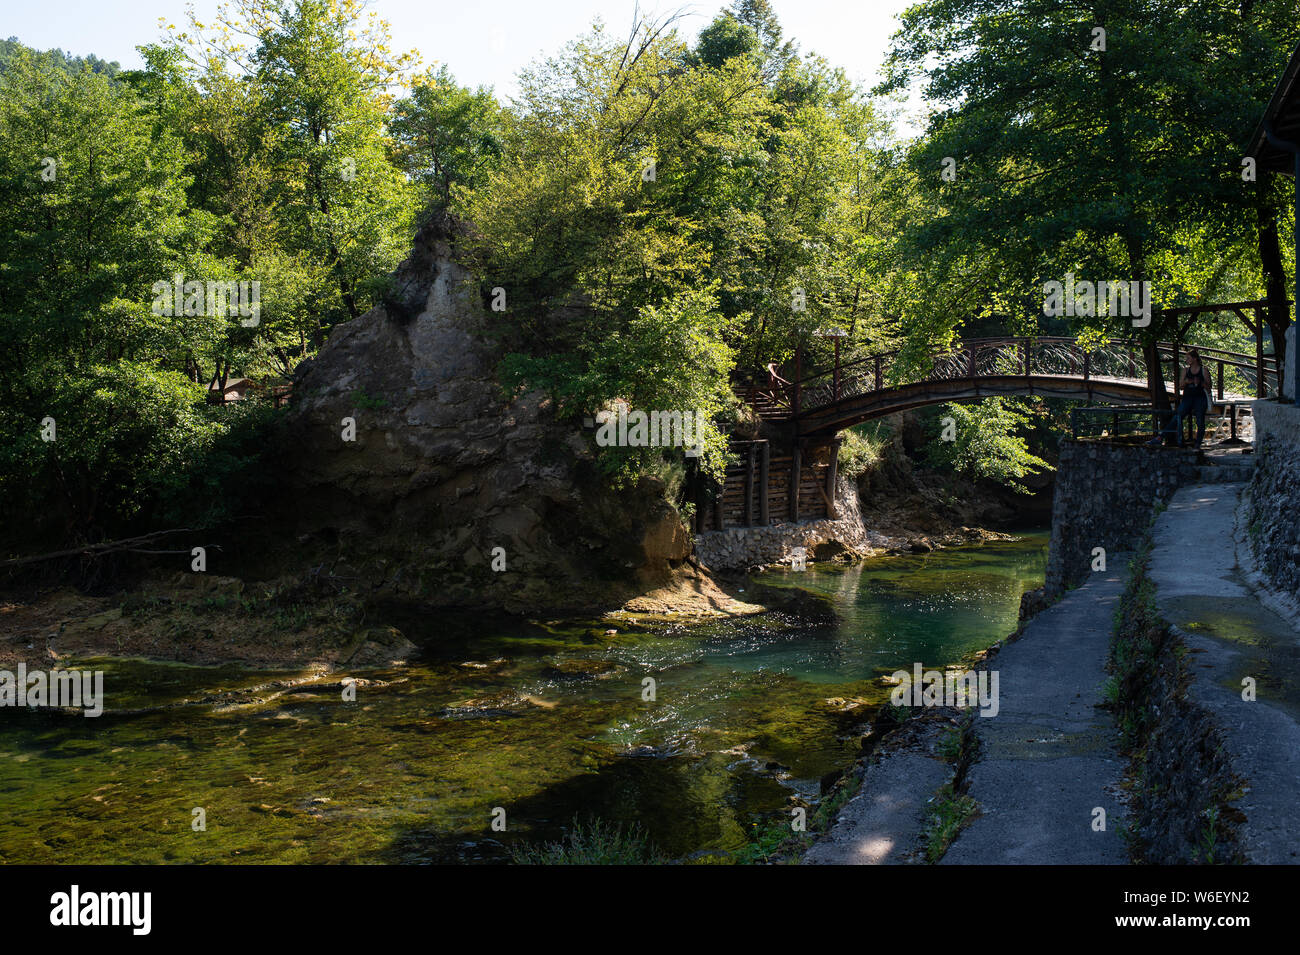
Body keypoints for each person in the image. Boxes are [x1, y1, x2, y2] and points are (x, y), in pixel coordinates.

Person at [1148, 349, 1211, 448]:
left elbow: (1209, 387)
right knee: (1178, 416)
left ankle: (1198, 443)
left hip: (1200, 398)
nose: (1186, 360)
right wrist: (1187, 382)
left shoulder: (1204, 370)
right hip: (1187, 397)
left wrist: (1200, 383)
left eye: (1188, 358)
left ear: (1194, 359)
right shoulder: (1185, 370)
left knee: (1200, 420)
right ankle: (1161, 437)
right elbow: (1180, 386)